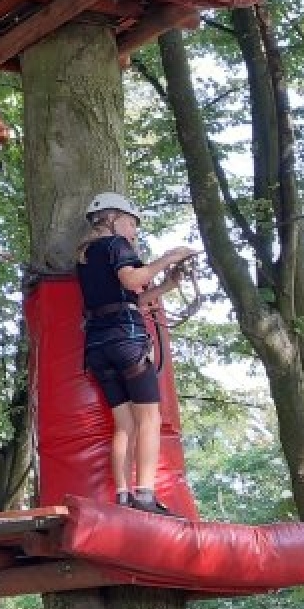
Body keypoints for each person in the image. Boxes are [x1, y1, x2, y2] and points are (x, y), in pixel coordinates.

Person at [75, 192, 197, 517]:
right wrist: (170, 256)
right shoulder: (116, 246)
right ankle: (145, 496)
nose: (134, 232)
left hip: (98, 347)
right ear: (113, 219)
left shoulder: (85, 257)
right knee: (150, 418)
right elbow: (133, 278)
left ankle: (125, 497)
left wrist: (167, 287)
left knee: (125, 424)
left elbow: (134, 298)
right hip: (125, 340)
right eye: (131, 223)